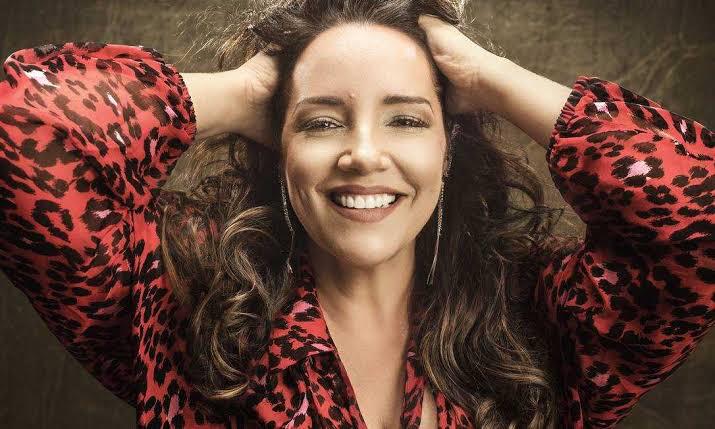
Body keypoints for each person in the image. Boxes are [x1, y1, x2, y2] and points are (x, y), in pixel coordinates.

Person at [0, 0, 712, 428]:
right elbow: (19, 124)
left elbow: (697, 217)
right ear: (276, 146)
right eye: (321, 124)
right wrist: (249, 89)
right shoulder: (176, 299)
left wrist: (488, 78)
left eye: (406, 120)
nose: (363, 153)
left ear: (449, 148)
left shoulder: (543, 324)